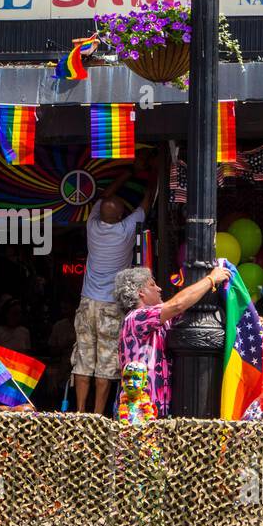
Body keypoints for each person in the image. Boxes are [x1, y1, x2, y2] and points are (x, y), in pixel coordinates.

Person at [72, 169, 158, 413]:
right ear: (122, 215)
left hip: (87, 302)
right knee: (106, 362)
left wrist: (126, 171)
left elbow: (104, 196)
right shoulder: (125, 230)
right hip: (110, 305)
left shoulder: (92, 225)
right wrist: (149, 175)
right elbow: (147, 201)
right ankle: (98, 416)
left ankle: (80, 414)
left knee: (83, 360)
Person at [114, 264, 229, 419]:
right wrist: (211, 279)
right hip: (137, 412)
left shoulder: (161, 320)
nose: (159, 289)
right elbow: (177, 305)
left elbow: (184, 305)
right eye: (152, 285)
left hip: (159, 410)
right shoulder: (136, 318)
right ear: (140, 292)